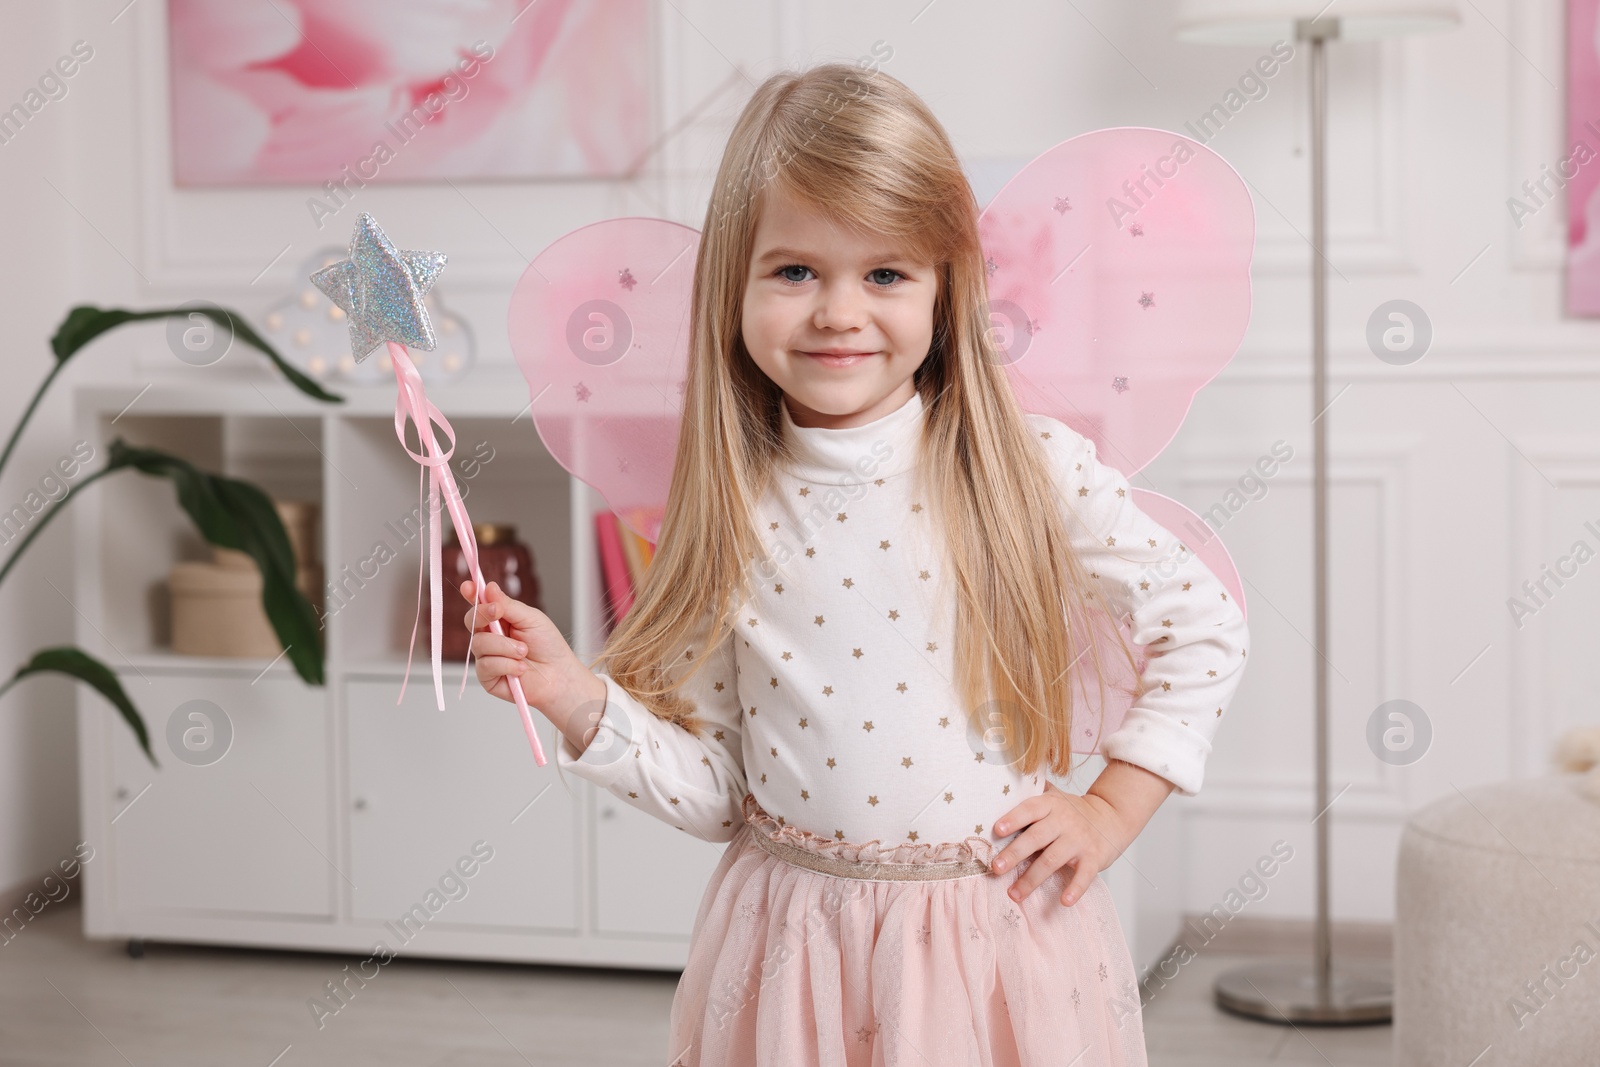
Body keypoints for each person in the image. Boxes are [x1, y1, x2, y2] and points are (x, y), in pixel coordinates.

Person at [460, 61, 1249, 1067]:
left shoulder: (1026, 468)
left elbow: (1204, 622)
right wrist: (576, 695)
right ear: (731, 290)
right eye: (794, 271)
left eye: (884, 273)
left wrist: (1109, 806)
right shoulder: (726, 511)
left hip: (992, 938)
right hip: (791, 953)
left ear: (942, 287)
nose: (839, 311)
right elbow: (719, 791)